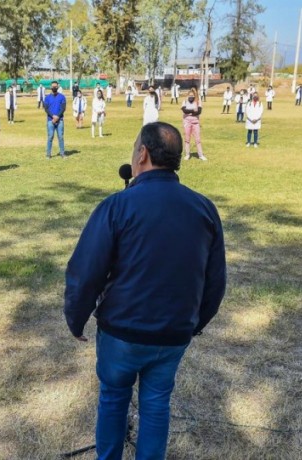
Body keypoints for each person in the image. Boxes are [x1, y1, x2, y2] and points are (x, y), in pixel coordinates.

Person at [64, 121, 226, 460]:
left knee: (113, 398)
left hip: (122, 333)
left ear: (143, 154)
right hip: (173, 334)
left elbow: (85, 270)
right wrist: (193, 324)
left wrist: (75, 319)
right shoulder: (204, 208)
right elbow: (215, 282)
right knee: (156, 405)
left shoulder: (116, 206)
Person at [44, 81, 67, 158]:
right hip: (50, 120)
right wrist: (53, 116)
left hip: (60, 120)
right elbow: (46, 109)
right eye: (53, 86)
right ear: (51, 87)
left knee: (60, 137)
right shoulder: (47, 98)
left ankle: (62, 153)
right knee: (50, 137)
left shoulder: (62, 97)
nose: (54, 88)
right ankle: (48, 154)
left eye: (55, 86)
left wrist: (57, 116)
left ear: (58, 87)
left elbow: (63, 108)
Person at [181, 88, 205, 161]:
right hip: (187, 122)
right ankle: (187, 154)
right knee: (187, 139)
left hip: (195, 122)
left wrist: (190, 112)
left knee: (197, 139)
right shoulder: (185, 101)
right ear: (188, 95)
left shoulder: (198, 102)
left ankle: (200, 155)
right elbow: (184, 110)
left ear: (195, 95)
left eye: (192, 95)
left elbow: (199, 112)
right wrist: (192, 111)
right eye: (190, 95)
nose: (191, 97)